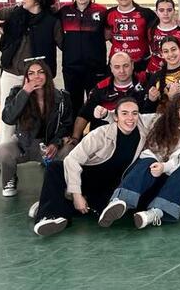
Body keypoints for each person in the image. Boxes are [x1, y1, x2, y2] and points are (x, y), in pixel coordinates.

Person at [96, 92, 180, 229]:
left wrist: (164, 167)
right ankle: (119, 201)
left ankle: (155, 213)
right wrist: (107, 114)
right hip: (144, 178)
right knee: (148, 160)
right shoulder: (159, 120)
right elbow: (133, 119)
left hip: (170, 183)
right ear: (175, 109)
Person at [30, 95, 146, 236]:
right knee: (55, 167)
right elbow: (72, 160)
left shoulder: (142, 132)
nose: (130, 118)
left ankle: (52, 201)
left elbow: (162, 118)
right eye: (124, 113)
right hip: (85, 177)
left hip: (109, 185)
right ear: (115, 117)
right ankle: (49, 215)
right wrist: (77, 195)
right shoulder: (99, 134)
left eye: (134, 113)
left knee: (108, 210)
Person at [0, 0, 62, 146]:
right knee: (8, 115)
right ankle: (3, 155)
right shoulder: (13, 13)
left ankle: (45, 152)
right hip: (11, 72)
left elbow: (64, 44)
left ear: (38, 0)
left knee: (42, 113)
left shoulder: (52, 21)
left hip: (38, 76)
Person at [0, 59, 73, 197]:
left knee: (70, 150)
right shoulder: (16, 93)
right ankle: (10, 178)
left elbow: (67, 125)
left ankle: (63, 182)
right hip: (24, 144)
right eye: (31, 73)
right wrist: (24, 93)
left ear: (47, 75)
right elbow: (8, 118)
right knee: (2, 152)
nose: (36, 76)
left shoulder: (61, 97)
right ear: (26, 77)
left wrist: (55, 143)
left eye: (41, 72)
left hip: (49, 146)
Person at [56, 0, 108, 116]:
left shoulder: (102, 11)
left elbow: (109, 33)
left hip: (96, 67)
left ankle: (96, 135)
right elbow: (57, 33)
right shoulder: (64, 11)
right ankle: (75, 136)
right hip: (71, 67)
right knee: (73, 103)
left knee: (97, 103)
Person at [71, 50, 150, 141]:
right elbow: (84, 115)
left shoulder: (145, 82)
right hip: (103, 138)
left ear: (132, 65)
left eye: (126, 66)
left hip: (135, 137)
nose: (122, 71)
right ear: (111, 68)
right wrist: (75, 138)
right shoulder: (100, 88)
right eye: (117, 67)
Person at [105, 0, 158, 71]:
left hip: (141, 62)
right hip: (117, 63)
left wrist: (175, 20)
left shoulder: (146, 13)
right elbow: (107, 35)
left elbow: (162, 27)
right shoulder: (109, 14)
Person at [145, 36, 180, 112]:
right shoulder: (156, 78)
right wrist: (151, 100)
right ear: (162, 54)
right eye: (166, 51)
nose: (170, 54)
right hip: (169, 119)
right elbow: (147, 110)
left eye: (173, 49)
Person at [147, 0, 180, 73]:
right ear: (156, 12)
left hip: (177, 73)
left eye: (169, 10)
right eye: (161, 10)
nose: (165, 13)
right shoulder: (150, 29)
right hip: (154, 71)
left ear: (174, 11)